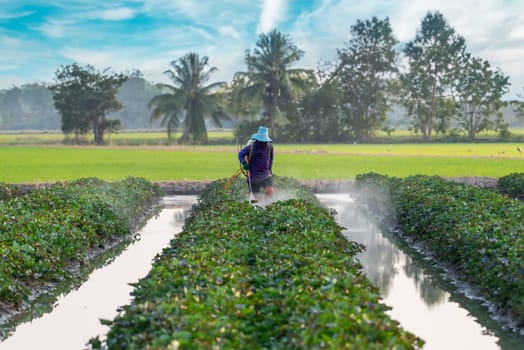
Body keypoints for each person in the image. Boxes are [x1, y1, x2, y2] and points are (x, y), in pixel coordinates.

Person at [238, 126, 274, 201]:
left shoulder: (270, 147)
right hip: (253, 176)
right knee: (255, 199)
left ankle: (266, 205)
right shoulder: (251, 147)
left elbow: (270, 159)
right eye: (262, 141)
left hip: (265, 174)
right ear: (258, 139)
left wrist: (270, 169)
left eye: (264, 141)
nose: (263, 142)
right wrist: (244, 163)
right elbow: (240, 154)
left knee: (270, 191)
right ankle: (255, 209)